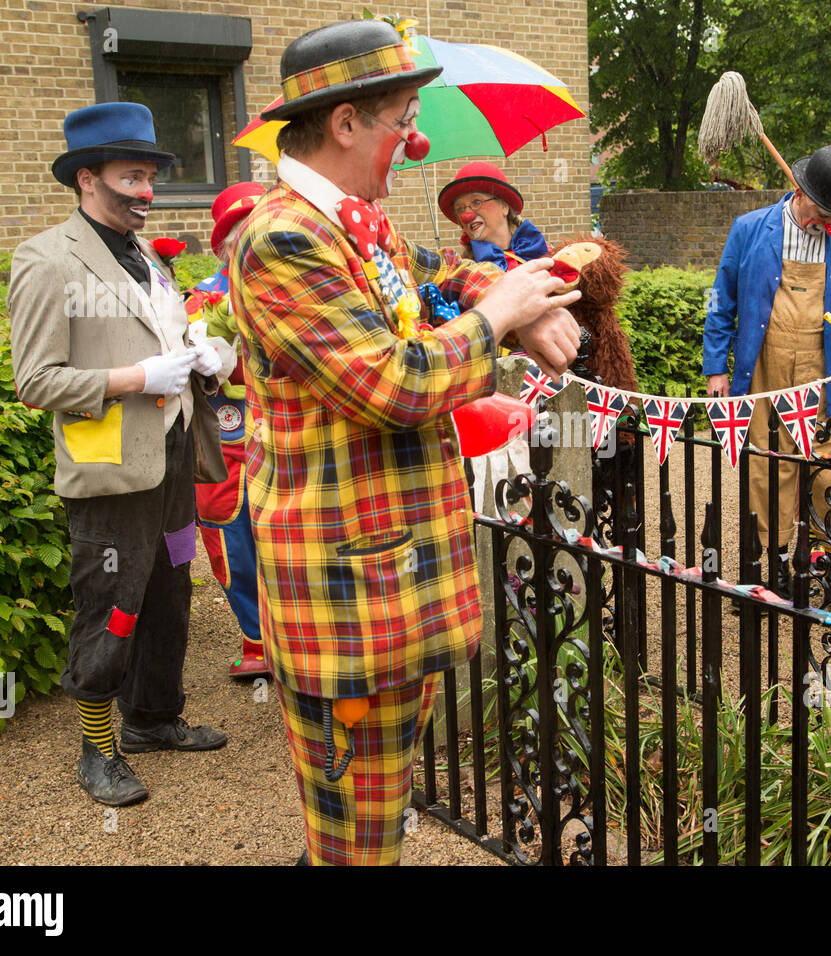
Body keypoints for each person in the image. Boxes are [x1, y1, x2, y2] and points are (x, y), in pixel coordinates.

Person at [228, 19, 581, 866]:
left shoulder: (358, 222)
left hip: (392, 584)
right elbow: (392, 383)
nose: (413, 141)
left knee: (374, 821)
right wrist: (500, 321)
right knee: (354, 836)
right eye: (400, 119)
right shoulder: (282, 238)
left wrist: (516, 297)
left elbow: (442, 274)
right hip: (346, 595)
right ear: (345, 124)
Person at [8, 102, 234, 808]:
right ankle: (96, 750)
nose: (147, 191)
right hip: (109, 473)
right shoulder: (47, 259)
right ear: (86, 178)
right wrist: (135, 380)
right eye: (132, 176)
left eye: (150, 176)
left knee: (169, 591)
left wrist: (202, 358)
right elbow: (35, 381)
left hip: (169, 462)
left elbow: (156, 343)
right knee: (111, 605)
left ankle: (153, 720)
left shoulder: (145, 259)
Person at [703, 145, 831, 597]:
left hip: (822, 367)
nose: (830, 223)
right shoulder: (750, 230)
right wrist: (716, 367)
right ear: (799, 190)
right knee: (770, 464)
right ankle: (774, 564)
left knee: (828, 462)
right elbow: (721, 300)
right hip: (764, 363)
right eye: (824, 211)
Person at [186, 181, 270, 678]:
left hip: (288, 439)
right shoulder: (201, 302)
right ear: (225, 245)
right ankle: (256, 638)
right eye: (246, 234)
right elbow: (197, 363)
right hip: (227, 444)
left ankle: (300, 637)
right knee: (231, 541)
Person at [438, 161, 551, 270]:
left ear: (504, 206)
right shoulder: (463, 273)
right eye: (460, 209)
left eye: (477, 202)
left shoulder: (543, 251)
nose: (466, 215)